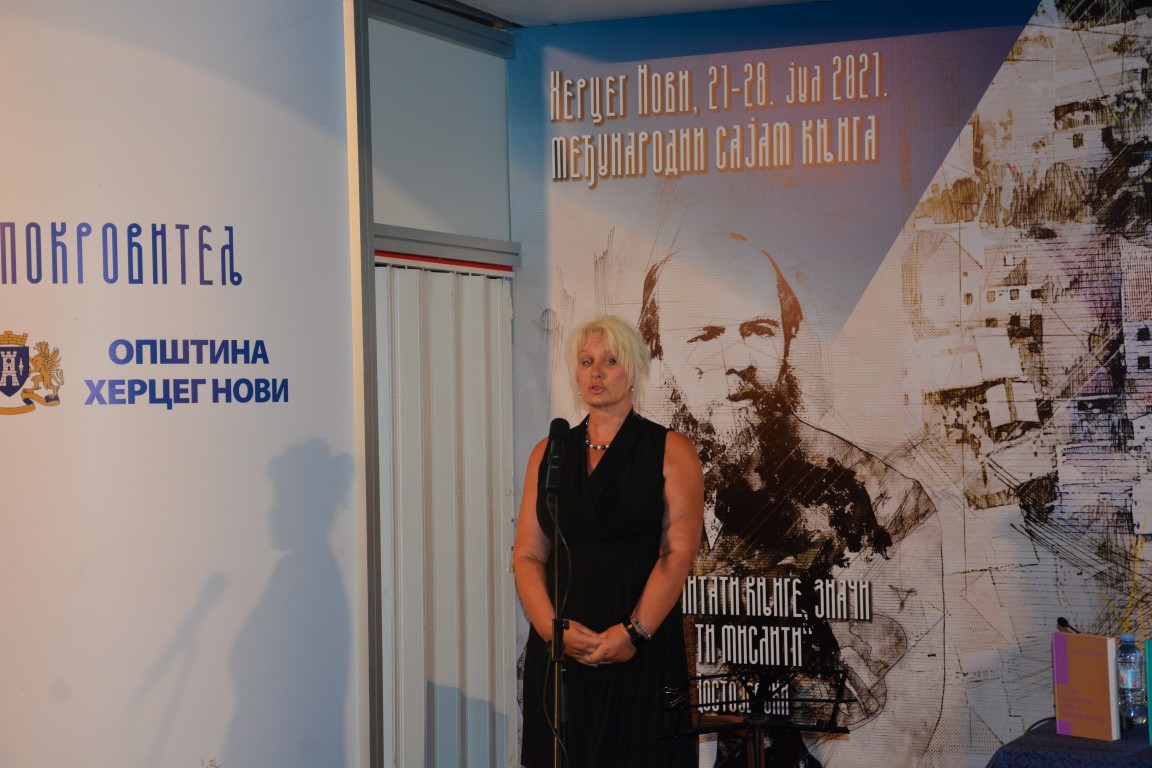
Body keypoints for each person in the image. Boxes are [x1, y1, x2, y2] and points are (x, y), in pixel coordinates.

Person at [637, 233, 943, 767]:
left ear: (787, 338)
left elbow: (901, 724)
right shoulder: (633, 498)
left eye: (758, 329)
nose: (738, 360)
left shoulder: (881, 502)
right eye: (704, 335)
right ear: (657, 354)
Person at [514, 315, 705, 768]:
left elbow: (677, 552)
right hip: (563, 655)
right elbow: (528, 554)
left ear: (633, 370)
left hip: (641, 650)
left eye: (610, 361)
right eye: (586, 362)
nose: (596, 372)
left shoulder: (671, 449)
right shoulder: (549, 452)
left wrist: (634, 632)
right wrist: (551, 631)